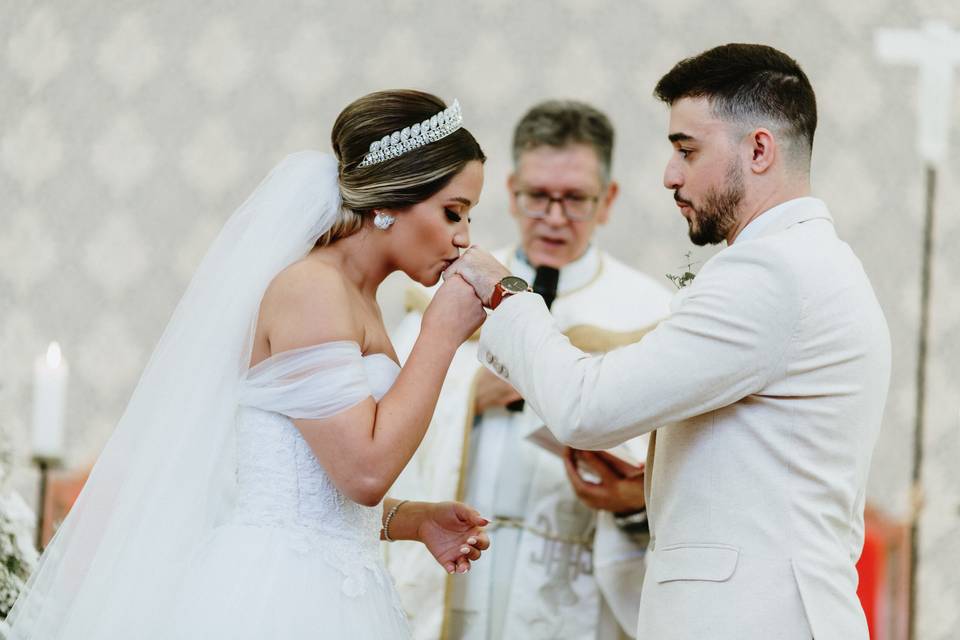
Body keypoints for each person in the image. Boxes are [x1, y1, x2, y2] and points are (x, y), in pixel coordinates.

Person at [7, 90, 493, 640]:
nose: (463, 239)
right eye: (453, 212)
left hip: (338, 586)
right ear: (389, 200)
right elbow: (363, 472)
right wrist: (442, 332)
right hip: (276, 596)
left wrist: (414, 520)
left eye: (469, 217)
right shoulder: (312, 289)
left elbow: (312, 486)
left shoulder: (359, 299)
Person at [447, 44, 891, 640]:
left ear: (759, 150)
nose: (669, 175)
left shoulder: (772, 274)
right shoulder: (810, 262)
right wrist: (646, 490)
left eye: (687, 150)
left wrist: (506, 293)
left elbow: (587, 408)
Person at [386, 100, 672, 640]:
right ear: (512, 191)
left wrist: (633, 487)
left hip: (575, 577)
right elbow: (376, 415)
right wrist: (469, 392)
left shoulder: (646, 313)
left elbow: (676, 457)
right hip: (456, 563)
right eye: (538, 197)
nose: (555, 217)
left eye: (575, 200)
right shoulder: (449, 281)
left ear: (607, 200)